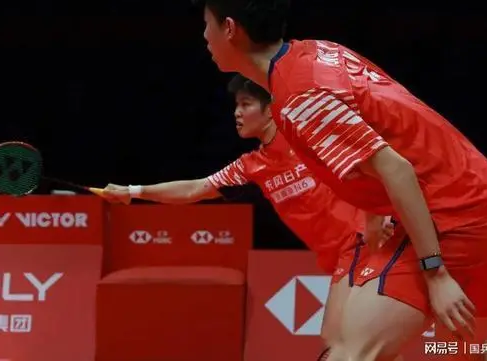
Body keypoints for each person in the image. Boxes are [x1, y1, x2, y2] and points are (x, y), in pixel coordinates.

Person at [189, 0, 487, 361]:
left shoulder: (300, 97)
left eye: (206, 24)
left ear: (229, 28)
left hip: (455, 214)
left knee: (350, 352)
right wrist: (374, 212)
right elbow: (384, 129)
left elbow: (396, 169)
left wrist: (434, 271)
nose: (204, 36)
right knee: (466, 353)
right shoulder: (318, 53)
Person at [102, 74, 396, 358]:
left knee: (341, 341)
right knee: (368, 347)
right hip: (336, 257)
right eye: (236, 105)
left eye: (246, 104)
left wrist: (378, 214)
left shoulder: (307, 139)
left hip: (363, 245)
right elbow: (194, 189)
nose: (237, 112)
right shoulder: (252, 166)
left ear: (270, 110)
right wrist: (134, 191)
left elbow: (369, 161)